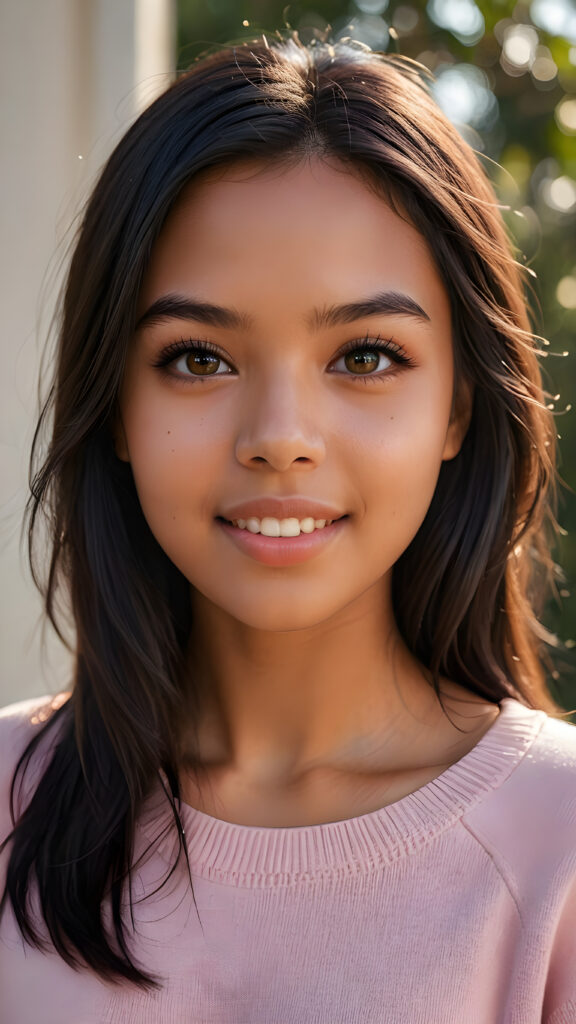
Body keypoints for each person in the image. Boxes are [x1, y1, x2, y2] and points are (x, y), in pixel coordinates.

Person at [1, 32, 575, 1023]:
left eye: (364, 354)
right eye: (197, 358)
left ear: (459, 408)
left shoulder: (558, 849)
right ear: (117, 408)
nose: (279, 439)